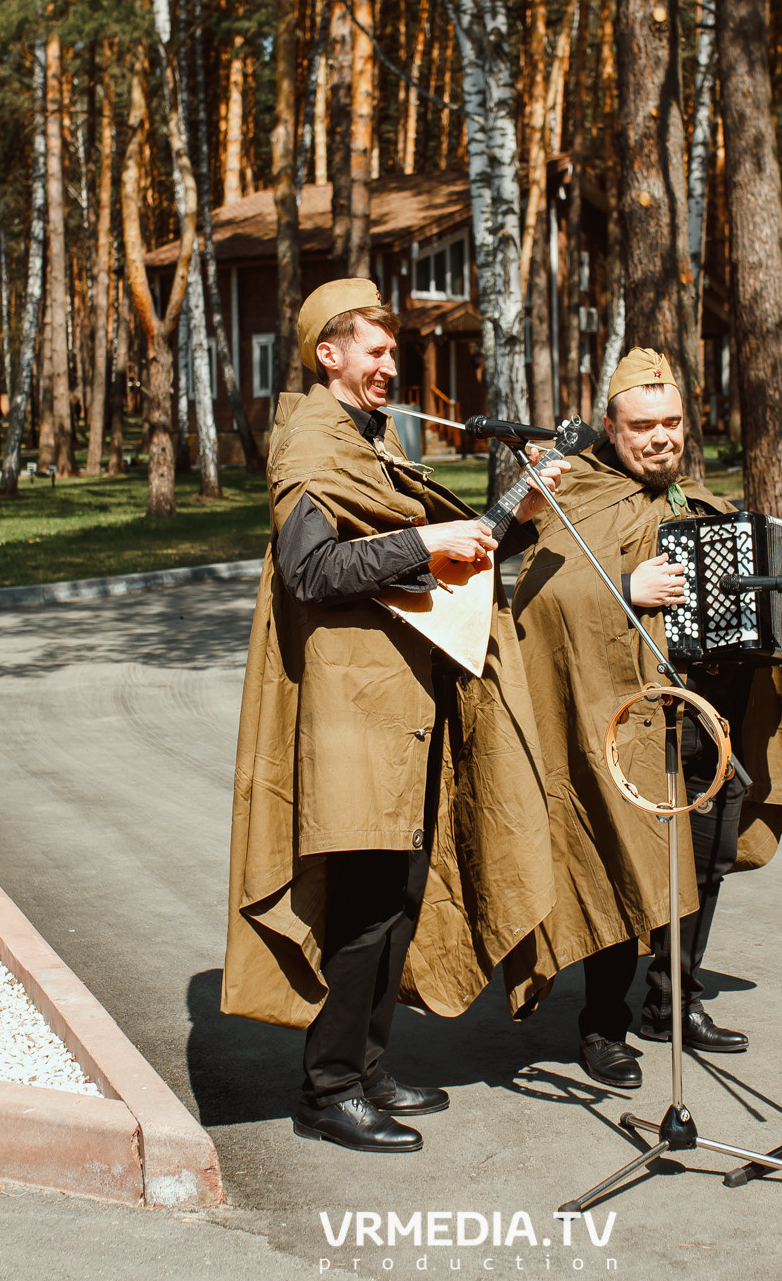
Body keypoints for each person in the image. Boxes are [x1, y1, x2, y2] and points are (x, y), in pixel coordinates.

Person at [222, 279, 565, 1154]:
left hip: (400, 704)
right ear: (326, 355)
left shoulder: (367, 441)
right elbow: (312, 569)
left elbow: (431, 568)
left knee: (399, 895)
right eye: (373, 352)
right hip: (349, 707)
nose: (390, 365)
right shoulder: (311, 437)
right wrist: (426, 542)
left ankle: (368, 1068)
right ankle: (328, 1086)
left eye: (390, 351)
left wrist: (512, 517)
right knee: (365, 904)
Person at [507, 348, 782, 1090]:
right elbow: (538, 604)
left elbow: (741, 597)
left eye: (673, 424)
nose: (661, 438)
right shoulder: (577, 497)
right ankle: (601, 1025)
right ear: (610, 428)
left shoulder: (698, 505)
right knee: (623, 868)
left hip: (704, 719)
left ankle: (671, 1003)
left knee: (705, 863)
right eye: (644, 426)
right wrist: (626, 584)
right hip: (625, 722)